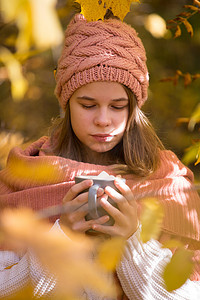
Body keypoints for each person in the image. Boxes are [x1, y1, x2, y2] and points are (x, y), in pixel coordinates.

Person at [0, 11, 200, 299]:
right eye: (88, 104)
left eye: (118, 106)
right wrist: (62, 236)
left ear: (134, 108)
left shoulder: (169, 183)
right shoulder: (24, 177)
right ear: (67, 102)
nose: (103, 120)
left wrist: (133, 240)